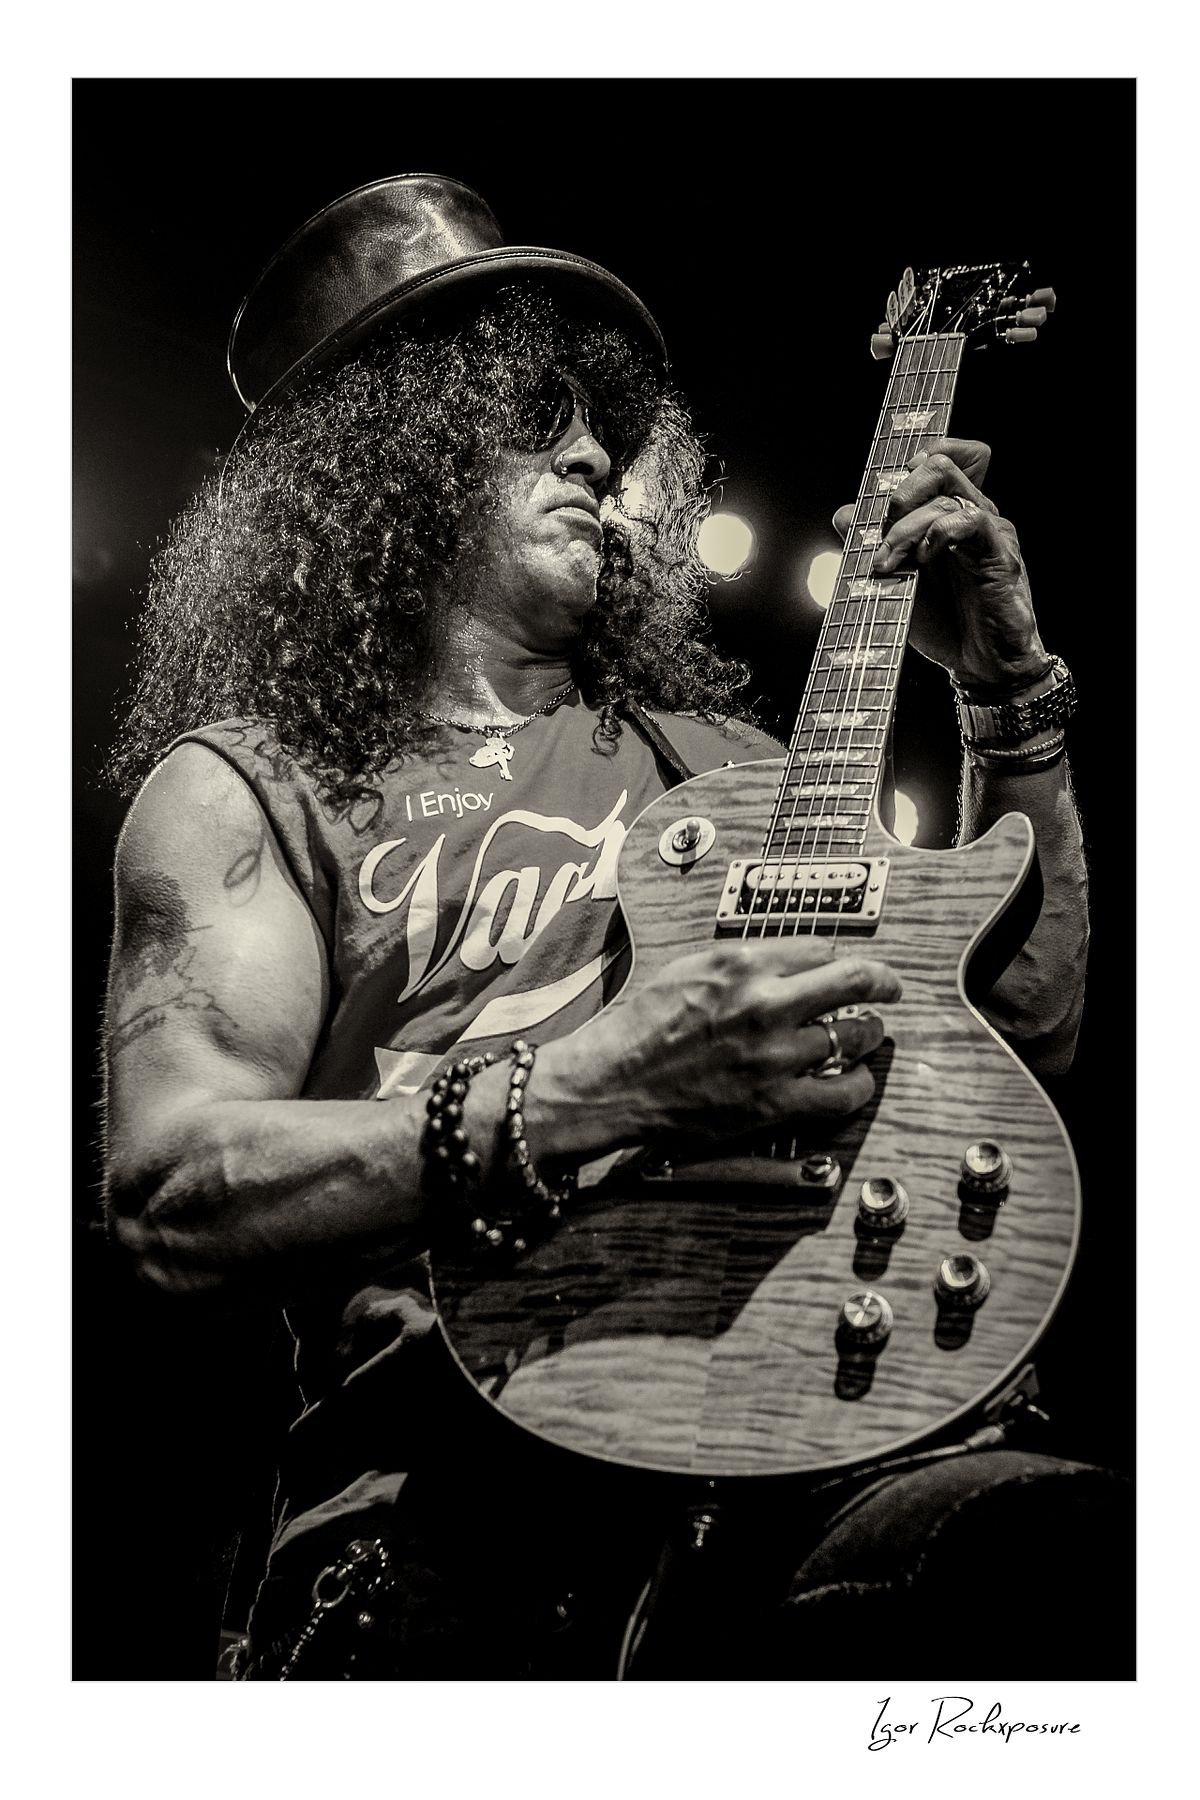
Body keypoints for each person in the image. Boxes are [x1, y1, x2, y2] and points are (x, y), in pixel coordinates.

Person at [102, 173, 1126, 1679]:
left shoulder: (736, 770)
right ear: (388, 456)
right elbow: (176, 1184)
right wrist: (612, 1080)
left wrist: (1008, 691)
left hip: (847, 1435)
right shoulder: (250, 786)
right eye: (534, 412)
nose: (596, 451)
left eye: (604, 420)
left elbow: (1019, 1040)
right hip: (458, 1497)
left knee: (1064, 1574)